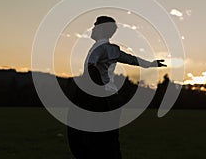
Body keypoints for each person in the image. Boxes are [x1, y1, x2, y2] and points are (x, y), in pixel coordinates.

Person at [67, 16, 166, 159]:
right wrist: (150, 64)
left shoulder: (103, 48)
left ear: (101, 30)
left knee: (103, 141)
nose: (93, 28)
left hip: (103, 99)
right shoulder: (106, 48)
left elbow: (92, 66)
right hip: (104, 98)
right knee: (102, 140)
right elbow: (131, 59)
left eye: (95, 26)